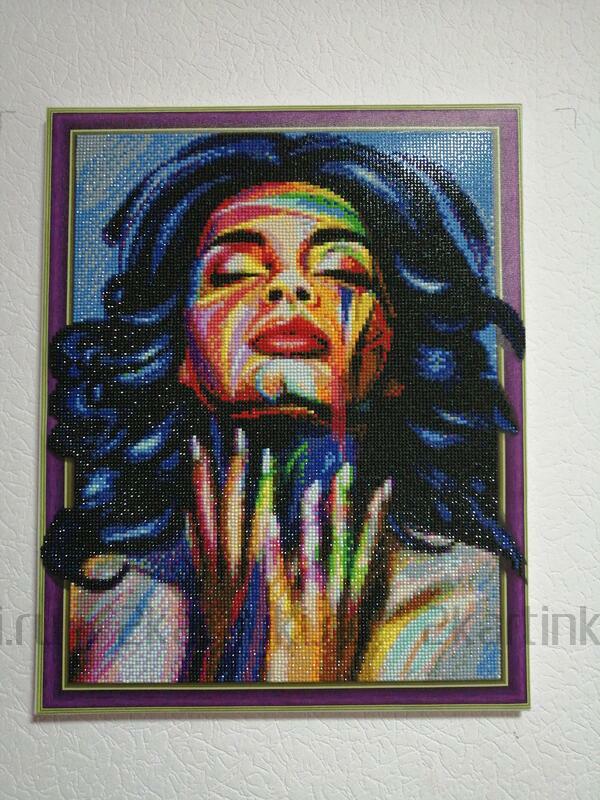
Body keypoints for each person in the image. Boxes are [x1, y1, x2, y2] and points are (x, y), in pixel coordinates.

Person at [43, 132, 525, 683]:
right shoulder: (93, 605)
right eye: (235, 272)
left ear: (396, 351)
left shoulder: (475, 606)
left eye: (342, 271)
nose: (290, 288)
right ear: (176, 349)